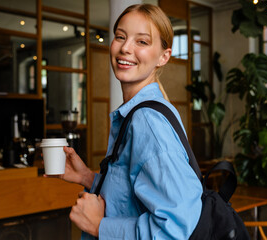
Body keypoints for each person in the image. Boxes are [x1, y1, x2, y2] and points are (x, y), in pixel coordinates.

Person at [56, 4, 202, 239]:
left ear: (164, 57)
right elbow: (131, 197)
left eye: (142, 42)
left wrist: (99, 227)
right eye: (120, 37)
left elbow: (175, 227)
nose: (125, 48)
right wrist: (87, 177)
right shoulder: (142, 113)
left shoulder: (148, 122)